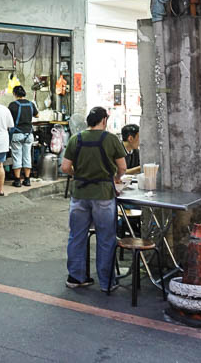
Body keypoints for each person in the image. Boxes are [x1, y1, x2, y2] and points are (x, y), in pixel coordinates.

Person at [60, 106, 127, 292]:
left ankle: (76, 277)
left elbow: (65, 167)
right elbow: (122, 167)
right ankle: (106, 283)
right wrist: (116, 178)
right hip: (103, 195)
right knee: (106, 238)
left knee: (77, 236)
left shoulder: (76, 139)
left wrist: (78, 174)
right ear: (104, 120)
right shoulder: (111, 139)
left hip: (80, 194)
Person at [8, 85, 38, 187]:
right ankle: (27, 179)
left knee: (17, 157)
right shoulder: (31, 104)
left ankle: (17, 181)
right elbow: (37, 115)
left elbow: (8, 119)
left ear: (15, 94)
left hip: (17, 134)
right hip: (29, 134)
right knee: (27, 156)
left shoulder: (12, 105)